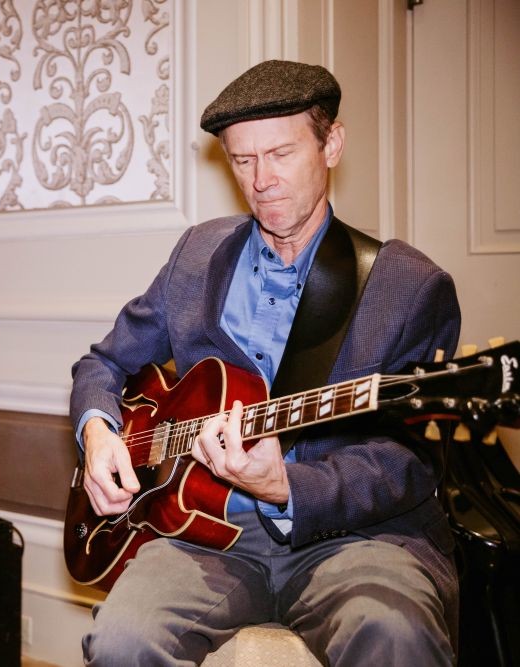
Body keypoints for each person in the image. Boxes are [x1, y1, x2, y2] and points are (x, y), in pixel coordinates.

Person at [70, 60, 461, 666]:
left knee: (394, 633)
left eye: (280, 154)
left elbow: (410, 459)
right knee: (121, 642)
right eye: (242, 160)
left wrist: (286, 485)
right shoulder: (198, 253)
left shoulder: (408, 285)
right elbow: (105, 363)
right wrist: (97, 433)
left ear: (331, 144)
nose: (261, 181)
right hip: (203, 538)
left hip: (354, 537)